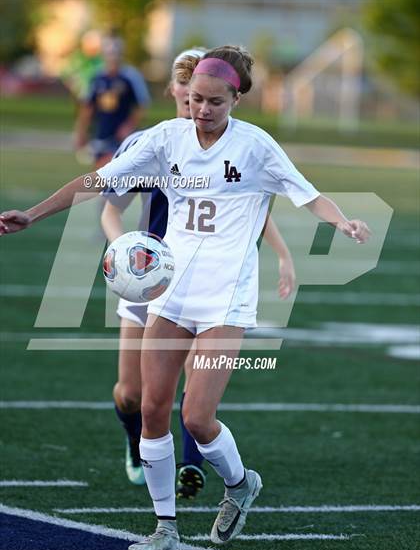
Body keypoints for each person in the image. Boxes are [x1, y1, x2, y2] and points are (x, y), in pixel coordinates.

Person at [0, 45, 370, 550]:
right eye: (195, 98)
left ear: (236, 98)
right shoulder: (164, 138)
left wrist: (343, 221)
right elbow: (96, 181)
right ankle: (166, 527)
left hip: (225, 303)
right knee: (152, 408)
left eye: (215, 101)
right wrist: (34, 214)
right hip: (170, 296)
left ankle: (240, 484)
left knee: (196, 417)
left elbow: (308, 195)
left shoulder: (257, 147)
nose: (202, 110)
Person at [101, 48, 297, 498]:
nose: (198, 104)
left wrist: (283, 253)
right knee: (134, 395)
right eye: (189, 90)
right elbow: (111, 207)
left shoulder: (229, 142)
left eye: (207, 94)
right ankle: (138, 445)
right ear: (176, 90)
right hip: (148, 280)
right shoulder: (151, 142)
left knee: (195, 387)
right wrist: (124, 248)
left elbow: (250, 207)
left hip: (205, 279)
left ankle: (192, 465)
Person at [74, 35, 150, 169]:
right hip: (101, 133)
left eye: (116, 53)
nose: (113, 58)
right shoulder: (96, 77)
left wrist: (129, 125)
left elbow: (142, 105)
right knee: (99, 174)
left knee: (116, 173)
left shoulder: (130, 77)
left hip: (123, 137)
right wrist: (81, 131)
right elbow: (87, 107)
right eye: (109, 53)